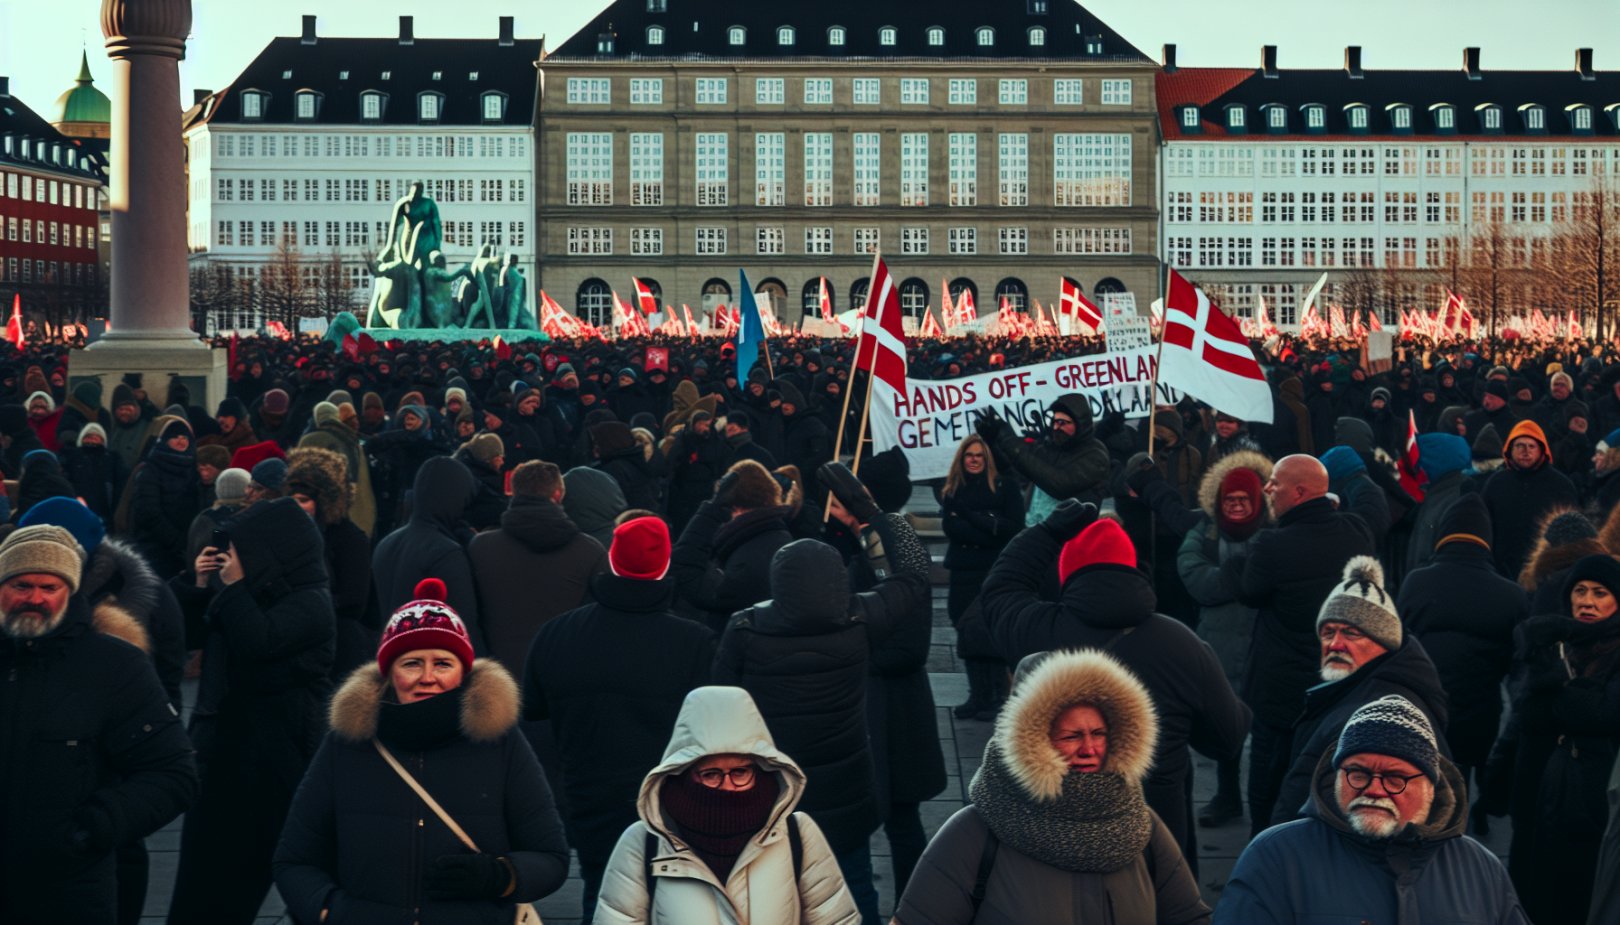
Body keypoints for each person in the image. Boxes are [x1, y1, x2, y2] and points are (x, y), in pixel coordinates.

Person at [273, 578, 570, 923]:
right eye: (411, 663)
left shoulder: (501, 743)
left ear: (463, 672)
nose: (427, 677)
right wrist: (330, 911)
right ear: (389, 672)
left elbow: (551, 857)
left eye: (443, 663)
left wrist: (500, 876)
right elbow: (293, 860)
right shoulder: (347, 743)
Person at [979, 505, 1249, 869]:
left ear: (1067, 573)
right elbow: (1227, 737)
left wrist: (1046, 532)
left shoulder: (1037, 629)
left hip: (1055, 836)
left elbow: (999, 591)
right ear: (1134, 569)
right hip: (1157, 840)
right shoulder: (1181, 644)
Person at [712, 516, 930, 925]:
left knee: (771, 896)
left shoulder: (745, 629)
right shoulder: (861, 620)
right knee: (853, 885)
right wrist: (882, 519)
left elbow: (719, 698)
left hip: (773, 792)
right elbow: (915, 576)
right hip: (848, 788)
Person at [893, 650, 1209, 925]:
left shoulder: (1141, 824)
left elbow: (1189, 918)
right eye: (1071, 736)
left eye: (1098, 733)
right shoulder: (973, 833)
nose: (1089, 749)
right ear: (1032, 743)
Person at [0, 524, 197, 925]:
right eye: (21, 585)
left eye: (49, 587)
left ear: (69, 592)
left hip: (67, 893)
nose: (35, 598)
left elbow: (172, 773)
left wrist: (92, 830)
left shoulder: (114, 667)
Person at [523, 516, 715, 918]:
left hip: (586, 792)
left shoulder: (556, 634)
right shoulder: (694, 642)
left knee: (601, 891)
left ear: (611, 558)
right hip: (671, 803)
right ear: (665, 566)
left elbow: (534, 711)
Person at [166, 498, 335, 925]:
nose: (231, 556)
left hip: (273, 773)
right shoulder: (253, 593)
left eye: (240, 547)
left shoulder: (311, 602)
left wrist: (234, 589)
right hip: (227, 766)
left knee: (245, 886)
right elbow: (181, 631)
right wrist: (197, 584)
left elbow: (258, 643)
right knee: (203, 893)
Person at [1216, 695, 1528, 924]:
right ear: (1336, 777)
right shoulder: (1275, 857)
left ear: (1431, 789)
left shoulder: (1481, 869)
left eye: (1396, 778)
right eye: (1359, 773)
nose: (1374, 789)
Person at [591, 685, 859, 924]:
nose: (728, 786)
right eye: (711, 774)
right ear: (684, 774)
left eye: (740, 772)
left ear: (761, 769)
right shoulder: (644, 842)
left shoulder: (798, 835)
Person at [1227, 453, 1376, 835]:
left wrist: (1233, 562)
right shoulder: (1356, 531)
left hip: (1279, 686)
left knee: (1267, 774)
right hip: (1335, 680)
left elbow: (1249, 592)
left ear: (1298, 492)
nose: (1267, 489)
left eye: (1275, 482)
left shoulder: (1271, 545)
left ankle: (1262, 843)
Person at [1270, 556, 1447, 827]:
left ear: (1383, 642)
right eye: (1328, 632)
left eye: (1351, 633)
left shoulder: (1376, 713)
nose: (1335, 644)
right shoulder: (1353, 691)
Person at [1495, 554, 1620, 924]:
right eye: (1580, 591)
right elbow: (1524, 716)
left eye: (1600, 593)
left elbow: (1606, 712)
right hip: (1538, 798)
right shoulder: (1556, 643)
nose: (1587, 601)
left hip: (1590, 807)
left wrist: (1555, 691)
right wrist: (1496, 782)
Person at [1397, 492, 1524, 831]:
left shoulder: (1416, 582)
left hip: (1427, 705)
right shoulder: (1510, 594)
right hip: (1481, 707)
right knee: (1468, 765)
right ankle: (1472, 817)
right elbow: (1516, 661)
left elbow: (1399, 641)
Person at [1175, 450, 1273, 828]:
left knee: (1265, 728)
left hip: (1261, 644)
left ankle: (1265, 802)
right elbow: (1194, 576)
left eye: (1243, 500)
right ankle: (1227, 795)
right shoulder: (1203, 532)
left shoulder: (1273, 533)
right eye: (1229, 500)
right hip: (1216, 644)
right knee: (1223, 725)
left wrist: (1233, 579)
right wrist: (1238, 579)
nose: (1235, 506)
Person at [470, 460, 607, 675]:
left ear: (513, 492)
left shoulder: (481, 547)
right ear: (558, 495)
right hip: (561, 674)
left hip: (496, 677)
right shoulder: (590, 551)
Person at [936, 434, 1024, 721]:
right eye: (969, 455)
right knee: (963, 625)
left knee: (989, 631)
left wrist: (971, 518)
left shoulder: (1005, 487)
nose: (974, 460)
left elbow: (1012, 528)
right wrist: (988, 526)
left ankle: (996, 695)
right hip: (963, 568)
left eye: (979, 455)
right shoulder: (954, 489)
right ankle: (976, 694)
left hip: (991, 569)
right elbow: (952, 529)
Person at [372, 456, 484, 653]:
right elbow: (465, 628)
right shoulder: (445, 552)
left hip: (394, 659)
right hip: (435, 666)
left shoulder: (386, 543)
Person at [671, 460, 797, 631]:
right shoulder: (773, 537)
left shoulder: (752, 552)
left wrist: (711, 511)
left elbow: (686, 573)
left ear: (735, 507)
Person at [285, 447, 377, 680]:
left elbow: (355, 601)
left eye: (304, 500)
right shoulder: (287, 535)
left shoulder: (349, 538)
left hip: (341, 647)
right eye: (293, 500)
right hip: (298, 644)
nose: (297, 507)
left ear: (325, 500)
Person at [975, 394, 1110, 521]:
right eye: (1054, 421)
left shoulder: (1095, 454)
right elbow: (1013, 473)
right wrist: (992, 442)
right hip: (1034, 530)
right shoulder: (1049, 448)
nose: (1056, 427)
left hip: (1071, 538)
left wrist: (1010, 440)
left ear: (1080, 424)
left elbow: (1059, 484)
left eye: (1063, 422)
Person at [1483, 419, 1578, 579]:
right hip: (1499, 569)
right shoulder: (1496, 483)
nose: (1525, 451)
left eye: (1531, 446)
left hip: (1545, 571)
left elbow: (1572, 531)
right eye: (1519, 445)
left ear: (1541, 450)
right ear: (1509, 449)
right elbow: (1483, 522)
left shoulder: (1561, 485)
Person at [128, 417, 203, 577]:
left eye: (184, 437)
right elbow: (147, 512)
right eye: (175, 437)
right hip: (155, 549)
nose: (181, 441)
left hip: (186, 551)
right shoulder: (150, 470)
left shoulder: (195, 469)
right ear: (164, 441)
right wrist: (176, 541)